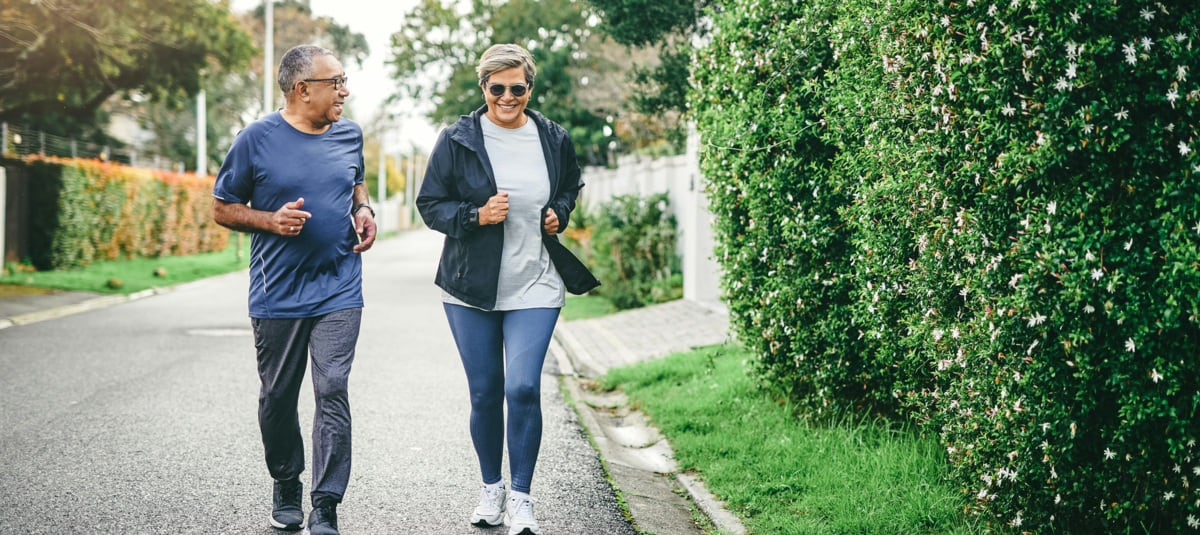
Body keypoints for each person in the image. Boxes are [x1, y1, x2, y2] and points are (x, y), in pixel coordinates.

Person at [416, 43, 600, 535]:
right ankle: (491, 488)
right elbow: (430, 204)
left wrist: (561, 211)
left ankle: (521, 497)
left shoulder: (552, 137)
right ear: (483, 88)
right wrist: (476, 216)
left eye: (517, 88)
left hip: (536, 280)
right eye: (497, 88)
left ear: (529, 88)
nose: (507, 97)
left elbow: (569, 185)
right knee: (485, 392)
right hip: (470, 286)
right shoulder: (457, 138)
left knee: (522, 388)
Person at [211, 44, 376, 535]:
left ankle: (325, 505)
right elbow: (223, 206)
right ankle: (286, 481)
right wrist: (269, 220)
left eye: (345, 80)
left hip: (339, 285)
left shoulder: (350, 133)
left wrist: (364, 210)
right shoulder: (256, 140)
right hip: (277, 292)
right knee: (278, 396)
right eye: (337, 82)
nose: (345, 90)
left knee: (332, 387)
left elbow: (356, 180)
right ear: (303, 90)